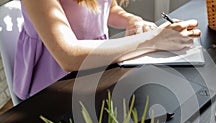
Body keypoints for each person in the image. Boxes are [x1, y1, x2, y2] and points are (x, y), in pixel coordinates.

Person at [14, 0, 201, 100]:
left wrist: (130, 19)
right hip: (54, 81)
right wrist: (154, 40)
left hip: (96, 63)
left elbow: (103, 6)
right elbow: (68, 56)